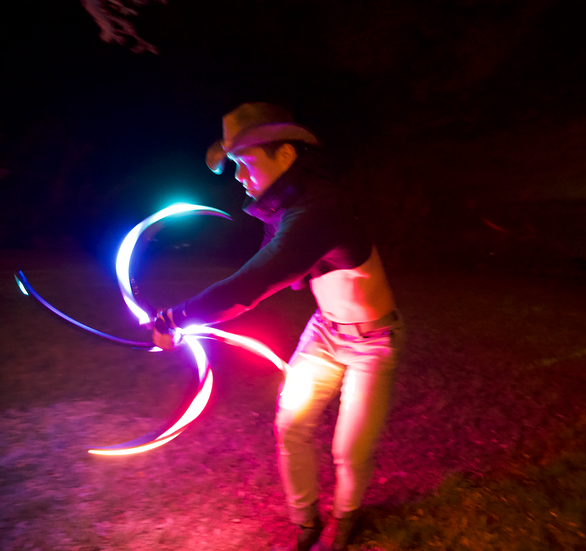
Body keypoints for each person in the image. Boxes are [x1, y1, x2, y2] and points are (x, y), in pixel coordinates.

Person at [151, 102, 404, 551]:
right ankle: (306, 522)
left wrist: (175, 317)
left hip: (373, 341)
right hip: (325, 332)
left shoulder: (319, 209)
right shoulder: (291, 206)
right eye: (233, 165)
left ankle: (345, 518)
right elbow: (266, 267)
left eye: (245, 163)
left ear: (285, 155)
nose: (237, 176)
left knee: (349, 449)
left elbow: (251, 285)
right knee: (291, 426)